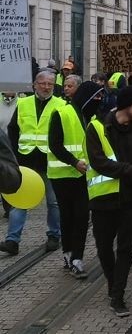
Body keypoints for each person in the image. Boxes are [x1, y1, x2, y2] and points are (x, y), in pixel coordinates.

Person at [84, 86, 132, 316]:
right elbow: (98, 162)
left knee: (125, 249)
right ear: (127, 105)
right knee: (104, 247)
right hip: (103, 199)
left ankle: (118, 295)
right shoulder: (97, 126)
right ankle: (113, 282)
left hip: (129, 198)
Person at [0, 70, 65, 256]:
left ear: (54, 86)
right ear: (35, 85)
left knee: (53, 202)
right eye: (42, 83)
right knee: (20, 202)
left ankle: (54, 235)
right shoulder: (23, 103)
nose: (46, 87)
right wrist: (13, 154)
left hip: (50, 161)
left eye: (50, 84)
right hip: (25, 160)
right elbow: (13, 130)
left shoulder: (60, 105)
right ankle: (12, 241)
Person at [47, 81, 104, 278]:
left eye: (101, 97)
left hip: (84, 176)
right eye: (96, 97)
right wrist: (73, 162)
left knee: (81, 216)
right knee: (67, 215)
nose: (99, 101)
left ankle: (77, 258)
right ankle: (68, 252)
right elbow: (54, 145)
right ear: (86, 97)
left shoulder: (93, 118)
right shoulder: (62, 114)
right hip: (62, 175)